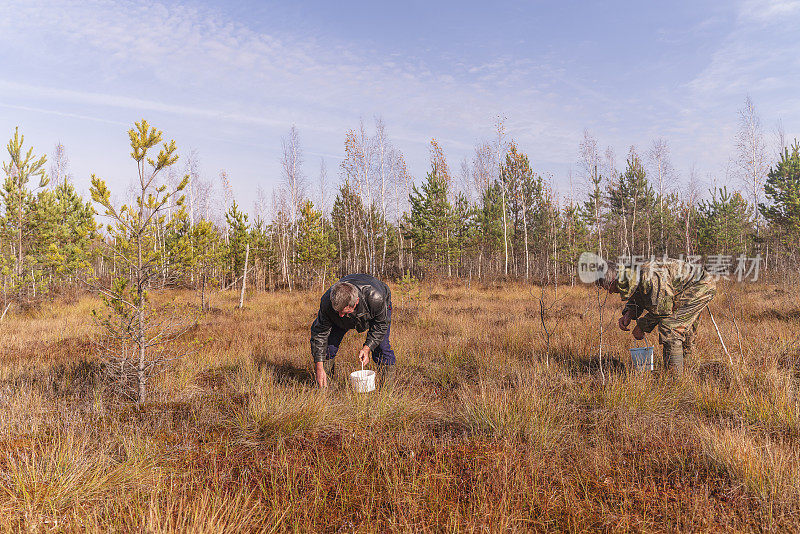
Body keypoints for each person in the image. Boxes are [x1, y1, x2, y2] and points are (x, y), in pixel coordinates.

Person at [596, 258, 717, 373]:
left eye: (608, 287)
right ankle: (690, 367)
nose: (610, 292)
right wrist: (629, 313)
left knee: (670, 327)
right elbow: (639, 295)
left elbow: (663, 310)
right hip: (683, 289)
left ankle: (675, 379)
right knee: (682, 326)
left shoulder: (649, 276)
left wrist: (642, 327)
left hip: (700, 286)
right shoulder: (629, 276)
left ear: (613, 280)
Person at [310, 274, 395, 388]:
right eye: (338, 311)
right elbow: (319, 335)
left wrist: (367, 348)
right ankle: (325, 385)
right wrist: (319, 367)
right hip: (348, 306)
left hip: (377, 304)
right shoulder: (327, 302)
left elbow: (380, 326)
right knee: (328, 347)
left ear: (356, 302)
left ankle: (386, 389)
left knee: (382, 347)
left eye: (344, 312)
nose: (340, 315)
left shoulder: (376, 298)